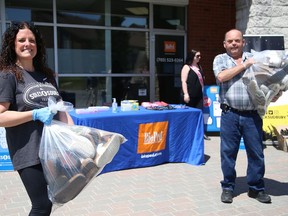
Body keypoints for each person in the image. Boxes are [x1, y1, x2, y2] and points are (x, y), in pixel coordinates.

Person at [0, 21, 74, 215]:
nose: (27, 44)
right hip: (28, 151)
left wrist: (73, 140)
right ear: (12, 45)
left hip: (53, 150)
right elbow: (0, 116)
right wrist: (33, 114)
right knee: (41, 205)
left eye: (31, 40)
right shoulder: (8, 75)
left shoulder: (47, 75)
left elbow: (61, 111)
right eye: (21, 40)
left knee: (52, 201)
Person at [213, 29, 272, 204]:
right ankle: (228, 187)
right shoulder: (220, 59)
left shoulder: (256, 59)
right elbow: (222, 76)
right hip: (230, 113)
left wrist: (272, 93)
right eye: (230, 41)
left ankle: (256, 188)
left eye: (237, 41)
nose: (233, 44)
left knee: (256, 153)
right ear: (225, 44)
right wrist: (245, 65)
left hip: (252, 115)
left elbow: (266, 81)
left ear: (243, 42)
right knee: (228, 153)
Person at [180, 49, 211, 140]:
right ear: (192, 57)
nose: (199, 58)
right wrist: (186, 94)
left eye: (200, 56)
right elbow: (183, 81)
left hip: (199, 95)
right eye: (197, 56)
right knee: (189, 114)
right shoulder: (186, 67)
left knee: (199, 114)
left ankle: (201, 133)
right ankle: (188, 133)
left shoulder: (199, 66)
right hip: (189, 95)